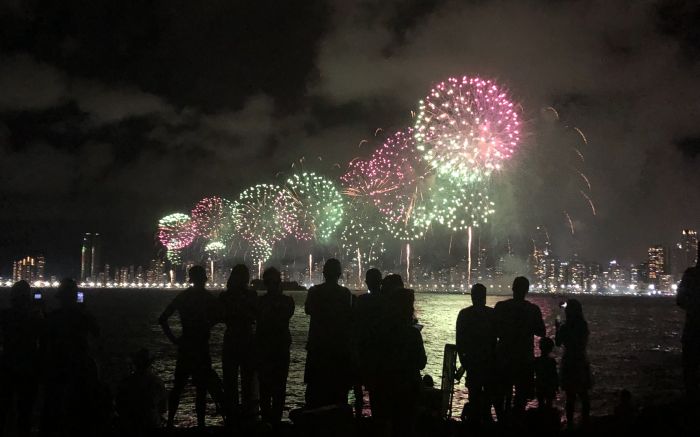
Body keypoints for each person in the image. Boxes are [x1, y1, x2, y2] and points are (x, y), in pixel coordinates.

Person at [159, 265, 227, 428]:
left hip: (186, 346)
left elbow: (163, 319)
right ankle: (201, 424)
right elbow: (222, 316)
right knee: (201, 389)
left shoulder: (184, 297)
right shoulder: (208, 298)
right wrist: (209, 324)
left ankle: (170, 422)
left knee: (178, 387)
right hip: (201, 347)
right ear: (203, 279)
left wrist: (175, 340)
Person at [40, 279, 102, 436]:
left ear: (60, 298)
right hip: (79, 367)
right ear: (75, 297)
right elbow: (97, 333)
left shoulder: (53, 317)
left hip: (57, 367)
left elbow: (44, 342)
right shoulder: (83, 317)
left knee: (54, 408)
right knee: (78, 409)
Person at [374, 288, 426, 437]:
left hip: (387, 384)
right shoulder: (413, 333)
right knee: (407, 426)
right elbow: (421, 362)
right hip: (409, 386)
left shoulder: (383, 332)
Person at [493, 276, 546, 418]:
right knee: (521, 396)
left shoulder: (501, 307)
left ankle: (502, 421)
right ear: (527, 290)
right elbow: (541, 331)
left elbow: (493, 330)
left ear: (513, 288)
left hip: (504, 356)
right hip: (524, 358)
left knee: (502, 393)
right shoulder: (532, 310)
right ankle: (516, 423)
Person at [304, 258, 353, 408]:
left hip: (317, 348)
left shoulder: (314, 292)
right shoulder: (345, 293)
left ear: (324, 273)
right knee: (338, 394)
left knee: (315, 393)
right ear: (339, 274)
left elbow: (308, 310)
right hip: (338, 349)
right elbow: (349, 317)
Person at [0, 281, 43, 437]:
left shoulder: (4, 316)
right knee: (25, 411)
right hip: (28, 368)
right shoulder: (35, 318)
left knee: (4, 408)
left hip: (7, 366)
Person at [256, 267, 295, 425]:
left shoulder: (260, 302)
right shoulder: (287, 301)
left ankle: (267, 422)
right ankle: (275, 422)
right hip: (279, 348)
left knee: (266, 389)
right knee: (278, 388)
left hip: (266, 348)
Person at [219, 264, 258, 419]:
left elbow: (219, 316)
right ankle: (249, 415)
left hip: (231, 339)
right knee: (248, 381)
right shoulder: (252, 295)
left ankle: (232, 416)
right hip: (247, 339)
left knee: (230, 381)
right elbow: (256, 315)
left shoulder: (225, 296)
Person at [456, 283, 497, 426]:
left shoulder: (464, 314)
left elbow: (459, 341)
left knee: (474, 396)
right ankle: (485, 422)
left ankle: (474, 425)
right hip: (489, 363)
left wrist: (464, 361)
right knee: (488, 396)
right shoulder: (492, 314)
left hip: (473, 362)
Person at [555, 299, 591, 429]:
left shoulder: (566, 326)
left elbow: (558, 343)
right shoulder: (583, 325)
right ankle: (585, 422)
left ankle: (570, 424)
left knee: (570, 396)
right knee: (584, 394)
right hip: (581, 360)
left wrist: (557, 327)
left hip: (569, 361)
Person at [352, 268, 383, 417]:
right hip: (380, 353)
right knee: (377, 393)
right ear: (380, 282)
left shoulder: (361, 301)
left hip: (362, 350)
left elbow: (354, 324)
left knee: (358, 392)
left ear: (367, 283)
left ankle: (358, 420)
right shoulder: (387, 302)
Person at [115, 348, 167, 436]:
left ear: (135, 363)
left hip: (130, 424)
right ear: (150, 363)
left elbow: (119, 405)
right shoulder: (157, 381)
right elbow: (163, 408)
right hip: (150, 423)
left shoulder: (126, 382)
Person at [677, 249, 700, 402]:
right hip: (692, 333)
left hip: (692, 332)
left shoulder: (690, 275)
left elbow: (680, 300)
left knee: (691, 375)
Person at [534, 337, 558, 410]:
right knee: (549, 403)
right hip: (549, 385)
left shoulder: (537, 361)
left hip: (540, 385)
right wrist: (556, 385)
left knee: (540, 404)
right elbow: (554, 374)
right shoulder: (552, 361)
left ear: (540, 347)